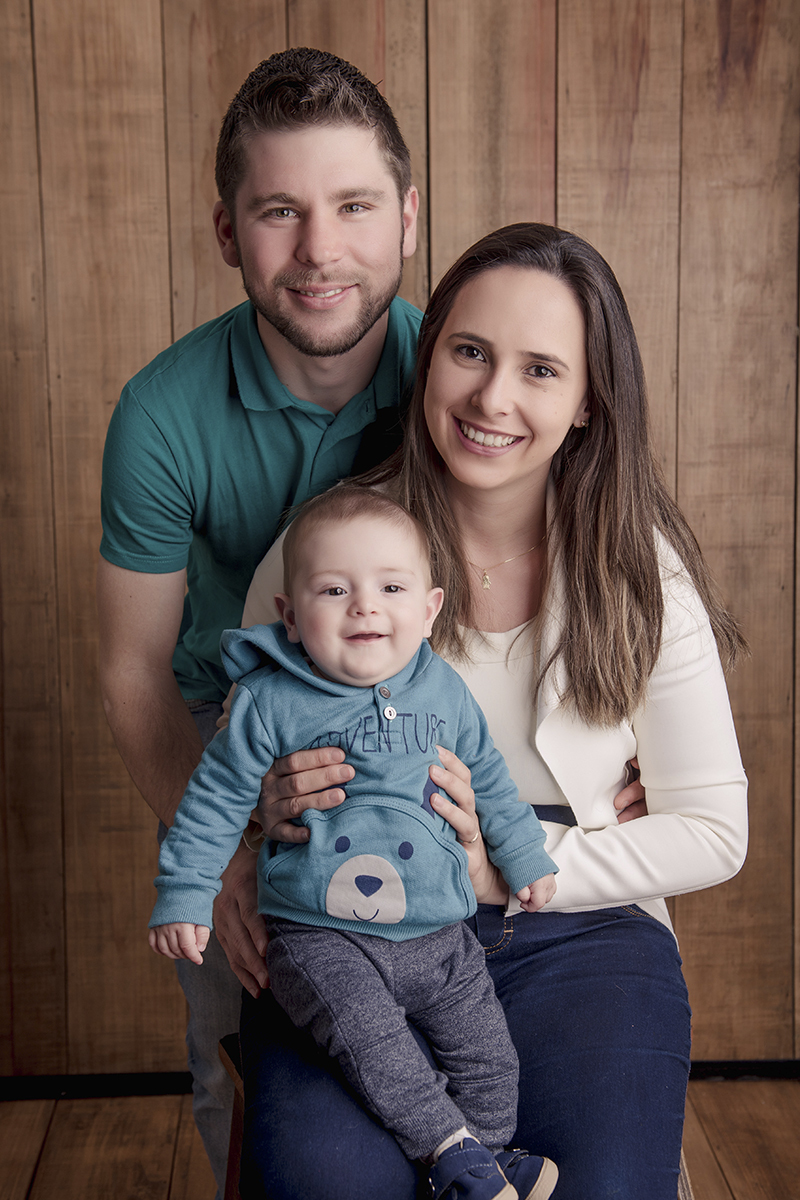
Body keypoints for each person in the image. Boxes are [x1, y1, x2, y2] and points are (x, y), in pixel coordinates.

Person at [237, 223, 749, 1200]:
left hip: (581, 938)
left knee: (598, 1185)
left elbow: (713, 831)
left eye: (540, 369)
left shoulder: (640, 576)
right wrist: (263, 808)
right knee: (330, 1183)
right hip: (356, 935)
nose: (491, 398)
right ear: (428, 358)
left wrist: (523, 862)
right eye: (468, 352)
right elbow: (244, 756)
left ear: (589, 399)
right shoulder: (329, 546)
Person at [96, 47, 421, 1195]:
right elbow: (135, 675)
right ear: (228, 230)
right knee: (236, 1062)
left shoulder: (462, 378)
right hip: (226, 741)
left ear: (407, 219)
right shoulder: (162, 412)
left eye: (353, 206)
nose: (321, 251)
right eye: (278, 211)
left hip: (418, 727)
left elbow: (576, 574)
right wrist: (228, 854)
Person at [149, 486, 561, 1200]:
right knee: (380, 1051)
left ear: (430, 610)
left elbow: (489, 777)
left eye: (391, 587)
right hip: (322, 938)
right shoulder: (268, 702)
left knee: (491, 1059)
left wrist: (524, 855)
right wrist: (186, 892)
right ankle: (448, 1151)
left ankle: (485, 1159)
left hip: (440, 933)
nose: (365, 606)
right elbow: (212, 799)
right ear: (290, 615)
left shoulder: (443, 691)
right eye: (334, 590)